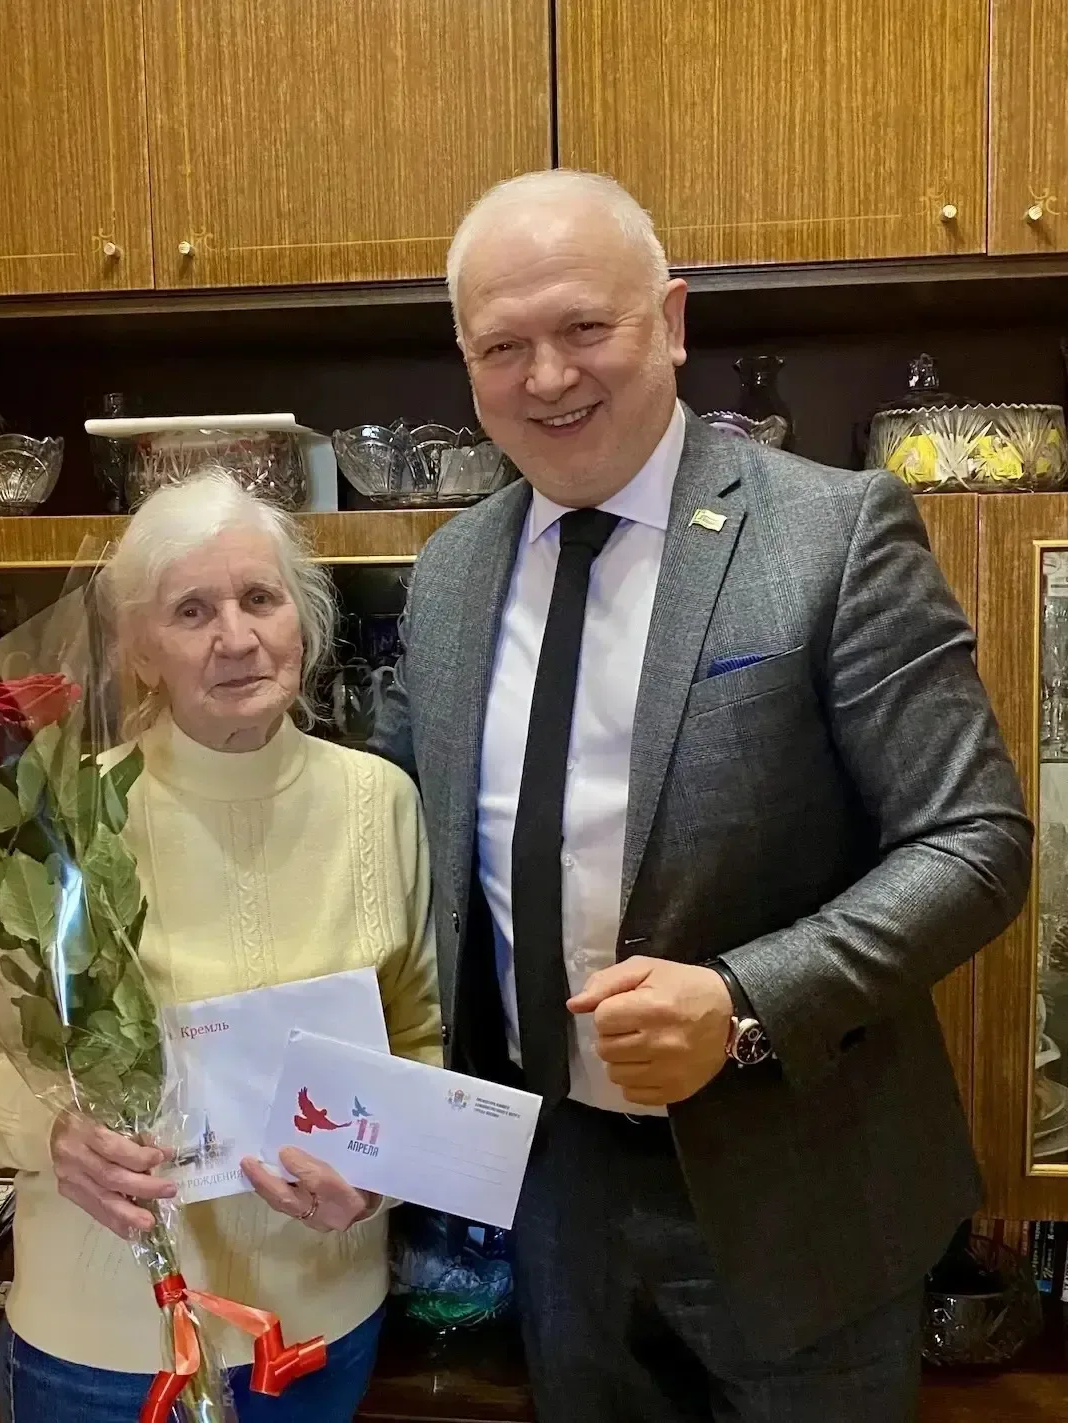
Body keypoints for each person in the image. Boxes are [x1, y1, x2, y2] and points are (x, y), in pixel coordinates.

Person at [370, 169, 1032, 1423]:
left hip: (802, 1194)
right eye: (501, 346)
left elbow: (974, 841)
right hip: (555, 1198)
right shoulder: (449, 573)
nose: (547, 376)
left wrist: (738, 1004)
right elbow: (398, 848)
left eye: (584, 326)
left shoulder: (833, 531)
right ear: (465, 365)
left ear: (670, 321)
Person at [0, 470, 441, 1423]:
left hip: (319, 1333)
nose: (236, 638)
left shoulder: (382, 802)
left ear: (303, 620)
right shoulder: (66, 817)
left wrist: (379, 1178)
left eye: (260, 598)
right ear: (139, 648)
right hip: (105, 1350)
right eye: (191, 610)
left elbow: (417, 1035)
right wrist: (55, 1137)